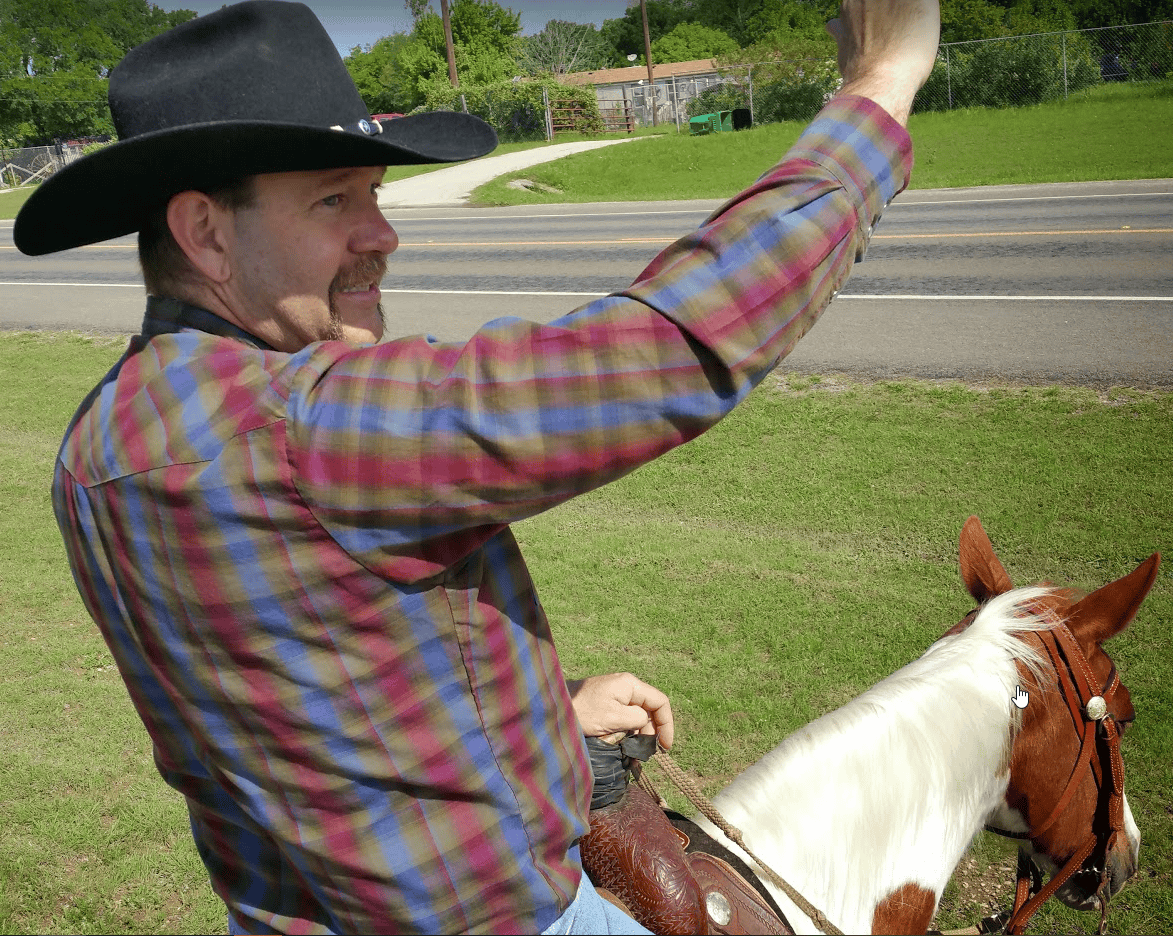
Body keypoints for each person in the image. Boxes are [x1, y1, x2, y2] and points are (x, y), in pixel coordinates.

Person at [16, 0, 940, 932]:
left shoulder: (96, 443)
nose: (382, 234)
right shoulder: (306, 427)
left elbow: (303, 703)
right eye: (335, 200)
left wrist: (550, 717)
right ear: (206, 232)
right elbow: (664, 350)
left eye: (376, 194)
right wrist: (877, 89)